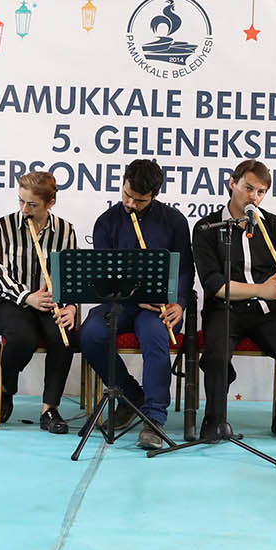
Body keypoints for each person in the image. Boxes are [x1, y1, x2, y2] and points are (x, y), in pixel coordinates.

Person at [194, 160, 276, 442]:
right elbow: (213, 284)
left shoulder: (275, 226)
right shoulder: (207, 227)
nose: (254, 197)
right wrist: (260, 289)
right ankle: (214, 422)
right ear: (232, 184)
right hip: (225, 309)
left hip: (269, 310)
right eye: (248, 188)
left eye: (261, 192)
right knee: (216, 357)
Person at [79, 159, 193, 451]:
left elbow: (184, 269)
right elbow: (104, 277)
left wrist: (179, 303)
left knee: (154, 335)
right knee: (90, 334)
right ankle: (130, 395)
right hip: (121, 302)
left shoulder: (174, 221)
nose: (130, 204)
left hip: (160, 306)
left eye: (139, 200)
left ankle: (154, 418)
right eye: (127, 195)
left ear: (155, 194)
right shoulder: (106, 222)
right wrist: (133, 295)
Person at [0, 171, 79, 433]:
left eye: (32, 204)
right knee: (23, 338)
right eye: (21, 201)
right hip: (11, 302)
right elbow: (2, 274)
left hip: (50, 303)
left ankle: (49, 409)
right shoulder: (4, 226)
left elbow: (71, 276)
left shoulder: (65, 230)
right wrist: (29, 297)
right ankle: (7, 387)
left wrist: (71, 307)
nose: (24, 210)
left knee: (63, 337)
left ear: (50, 203)